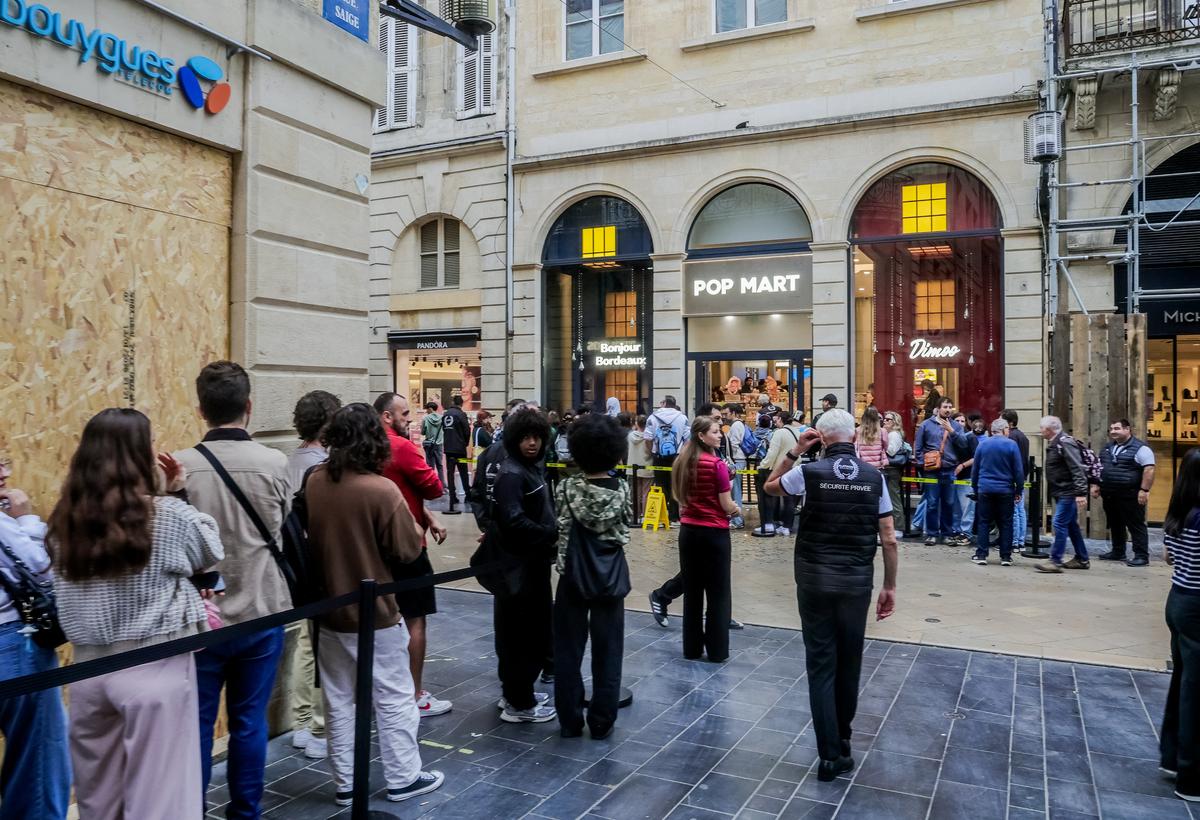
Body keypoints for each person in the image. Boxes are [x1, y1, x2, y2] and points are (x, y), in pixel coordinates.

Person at [51, 408, 224, 820]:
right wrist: (178, 491)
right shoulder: (164, 515)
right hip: (155, 663)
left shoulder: (64, 522)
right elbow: (211, 549)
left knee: (99, 797)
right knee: (161, 798)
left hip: (89, 669)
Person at [304, 404, 444, 806]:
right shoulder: (381, 490)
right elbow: (405, 550)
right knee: (394, 694)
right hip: (377, 612)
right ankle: (403, 776)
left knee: (339, 698)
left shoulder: (314, 481)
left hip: (329, 609)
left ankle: (346, 782)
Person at [174, 360, 293, 817]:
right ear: (249, 406)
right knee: (249, 722)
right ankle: (245, 812)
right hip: (263, 608)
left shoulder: (180, 467)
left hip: (200, 616)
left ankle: (192, 807)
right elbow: (281, 527)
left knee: (199, 724)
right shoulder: (275, 464)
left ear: (201, 409)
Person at [763, 408, 898, 783]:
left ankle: (828, 754)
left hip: (814, 578)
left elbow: (770, 486)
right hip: (856, 582)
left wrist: (794, 452)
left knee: (821, 662)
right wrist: (889, 585)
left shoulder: (808, 472)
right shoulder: (874, 477)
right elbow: (888, 537)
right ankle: (844, 739)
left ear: (821, 438)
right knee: (849, 661)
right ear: (854, 437)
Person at [0, 455, 71, 820]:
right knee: (38, 767)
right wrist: (26, 519)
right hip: (14, 647)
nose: (4, 473)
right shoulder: (4, 525)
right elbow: (45, 572)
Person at [552, 414, 631, 739]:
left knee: (568, 651)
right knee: (609, 650)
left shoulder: (567, 487)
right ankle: (602, 720)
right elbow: (623, 527)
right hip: (610, 579)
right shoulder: (622, 488)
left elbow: (559, 523)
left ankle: (569, 719)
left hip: (573, 574)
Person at [374, 392, 453, 718]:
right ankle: (414, 694)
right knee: (414, 619)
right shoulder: (403, 447)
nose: (410, 418)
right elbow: (434, 487)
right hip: (408, 547)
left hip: (377, 548)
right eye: (404, 413)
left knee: (384, 622)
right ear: (387, 417)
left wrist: (428, 517)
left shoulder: (368, 449)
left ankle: (385, 691)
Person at [491, 408, 560, 722]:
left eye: (536, 437)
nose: (532, 443)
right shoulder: (513, 473)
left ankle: (517, 693)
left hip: (530, 564)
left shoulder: (529, 468)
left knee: (525, 631)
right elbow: (514, 520)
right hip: (519, 567)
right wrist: (550, 532)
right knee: (520, 633)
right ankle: (519, 701)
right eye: (526, 437)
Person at [649, 405, 744, 631]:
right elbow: (687, 493)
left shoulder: (715, 448)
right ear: (701, 429)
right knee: (698, 574)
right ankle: (663, 596)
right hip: (703, 524)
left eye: (720, 423)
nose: (720, 429)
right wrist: (731, 508)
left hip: (707, 524)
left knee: (711, 575)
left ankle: (720, 614)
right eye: (715, 422)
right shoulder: (690, 456)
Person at [286, 389, 341, 760]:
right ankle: (320, 725)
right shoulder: (323, 469)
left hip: (295, 566)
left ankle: (301, 720)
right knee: (325, 646)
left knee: (306, 646)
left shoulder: (288, 461)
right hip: (321, 565)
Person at [673, 416, 740, 662]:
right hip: (714, 534)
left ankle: (691, 648)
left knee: (692, 592)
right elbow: (726, 505)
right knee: (718, 593)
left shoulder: (681, 462)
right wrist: (736, 509)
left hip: (688, 532)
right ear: (702, 436)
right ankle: (717, 649)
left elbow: (680, 499)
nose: (720, 435)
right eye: (715, 431)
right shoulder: (717, 466)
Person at [1160, 448, 1200, 803]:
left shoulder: (1178, 513)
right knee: (1195, 690)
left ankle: (1172, 758)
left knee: (1184, 681)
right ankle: (1191, 776)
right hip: (1196, 605)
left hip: (1179, 599)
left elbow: (1170, 555)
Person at [1094, 418, 1156, 567]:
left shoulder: (1141, 448)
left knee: (1136, 525)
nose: (1113, 431)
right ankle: (1118, 551)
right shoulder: (1107, 448)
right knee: (1115, 523)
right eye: (1112, 429)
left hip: (1131, 494)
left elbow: (1149, 469)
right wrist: (1095, 484)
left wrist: (1144, 490)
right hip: (1110, 494)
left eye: (1117, 428)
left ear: (1128, 429)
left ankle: (1141, 556)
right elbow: (1099, 467)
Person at [1036, 416, 1090, 573]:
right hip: (1062, 491)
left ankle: (1055, 561)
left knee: (1059, 523)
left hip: (1068, 492)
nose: (1040, 431)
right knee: (1071, 525)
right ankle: (1082, 558)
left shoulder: (1065, 442)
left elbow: (1077, 468)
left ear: (1049, 430)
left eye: (1042, 428)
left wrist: (1080, 493)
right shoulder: (1057, 443)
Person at [913, 399, 970, 547]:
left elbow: (964, 445)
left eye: (950, 407)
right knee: (931, 503)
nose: (948, 409)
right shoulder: (926, 425)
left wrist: (952, 431)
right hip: (931, 470)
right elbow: (918, 446)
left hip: (949, 469)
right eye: (945, 407)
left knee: (949, 503)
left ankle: (947, 534)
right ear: (938, 409)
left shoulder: (956, 426)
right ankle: (931, 534)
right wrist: (921, 465)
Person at [969, 418, 1025, 566]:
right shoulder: (1012, 445)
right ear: (1005, 429)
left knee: (983, 522)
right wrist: (1019, 489)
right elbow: (1018, 471)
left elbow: (975, 470)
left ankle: (981, 554)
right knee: (1006, 522)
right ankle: (1006, 556)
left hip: (985, 489)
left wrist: (975, 487)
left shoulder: (983, 444)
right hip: (1005, 489)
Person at [643, 396, 689, 522]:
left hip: (658, 456)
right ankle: (674, 516)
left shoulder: (653, 417)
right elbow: (688, 440)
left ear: (664, 404)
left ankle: (661, 514)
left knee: (660, 485)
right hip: (676, 457)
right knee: (675, 485)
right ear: (674, 404)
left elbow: (647, 438)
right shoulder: (682, 417)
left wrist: (652, 451)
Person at [762, 411, 805, 536]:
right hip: (794, 468)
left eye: (776, 420)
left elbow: (772, 453)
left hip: (780, 469)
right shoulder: (798, 432)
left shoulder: (779, 433)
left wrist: (763, 465)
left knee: (771, 495)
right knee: (789, 499)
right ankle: (787, 527)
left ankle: (772, 523)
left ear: (780, 419)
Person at [1001, 409, 1031, 553]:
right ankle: (1020, 541)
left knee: (1013, 511)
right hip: (1021, 476)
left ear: (1010, 423)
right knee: (1020, 511)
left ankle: (1014, 541)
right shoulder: (1022, 436)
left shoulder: (1011, 437)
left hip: (1012, 477)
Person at [442, 395, 472, 514]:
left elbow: (444, 428)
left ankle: (453, 497)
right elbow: (466, 430)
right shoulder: (461, 414)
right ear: (461, 403)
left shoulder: (446, 414)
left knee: (450, 473)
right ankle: (467, 495)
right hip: (459, 448)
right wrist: (464, 443)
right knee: (463, 472)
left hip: (448, 448)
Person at [750, 414, 778, 537]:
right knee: (771, 494)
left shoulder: (754, 434)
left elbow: (749, 448)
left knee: (760, 494)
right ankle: (770, 521)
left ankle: (763, 522)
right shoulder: (773, 435)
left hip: (757, 465)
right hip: (770, 466)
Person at [882, 411, 908, 534]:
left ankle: (898, 527)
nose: (885, 421)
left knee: (894, 498)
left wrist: (882, 443)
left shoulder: (894, 435)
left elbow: (891, 451)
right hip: (889, 469)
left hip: (892, 470)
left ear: (895, 422)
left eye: (888, 419)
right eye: (885, 419)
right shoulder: (889, 434)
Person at [724, 403, 748, 531]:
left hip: (737, 460)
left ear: (733, 413)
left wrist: (729, 457)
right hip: (737, 460)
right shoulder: (738, 424)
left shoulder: (737, 425)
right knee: (735, 490)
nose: (725, 416)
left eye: (726, 413)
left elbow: (734, 443)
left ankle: (737, 520)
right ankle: (737, 519)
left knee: (736, 491)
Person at [421, 401, 445, 488]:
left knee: (430, 466)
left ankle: (432, 485)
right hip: (439, 444)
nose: (426, 411)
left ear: (430, 409)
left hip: (429, 445)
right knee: (440, 466)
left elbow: (422, 432)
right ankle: (442, 486)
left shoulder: (425, 419)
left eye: (427, 409)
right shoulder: (442, 418)